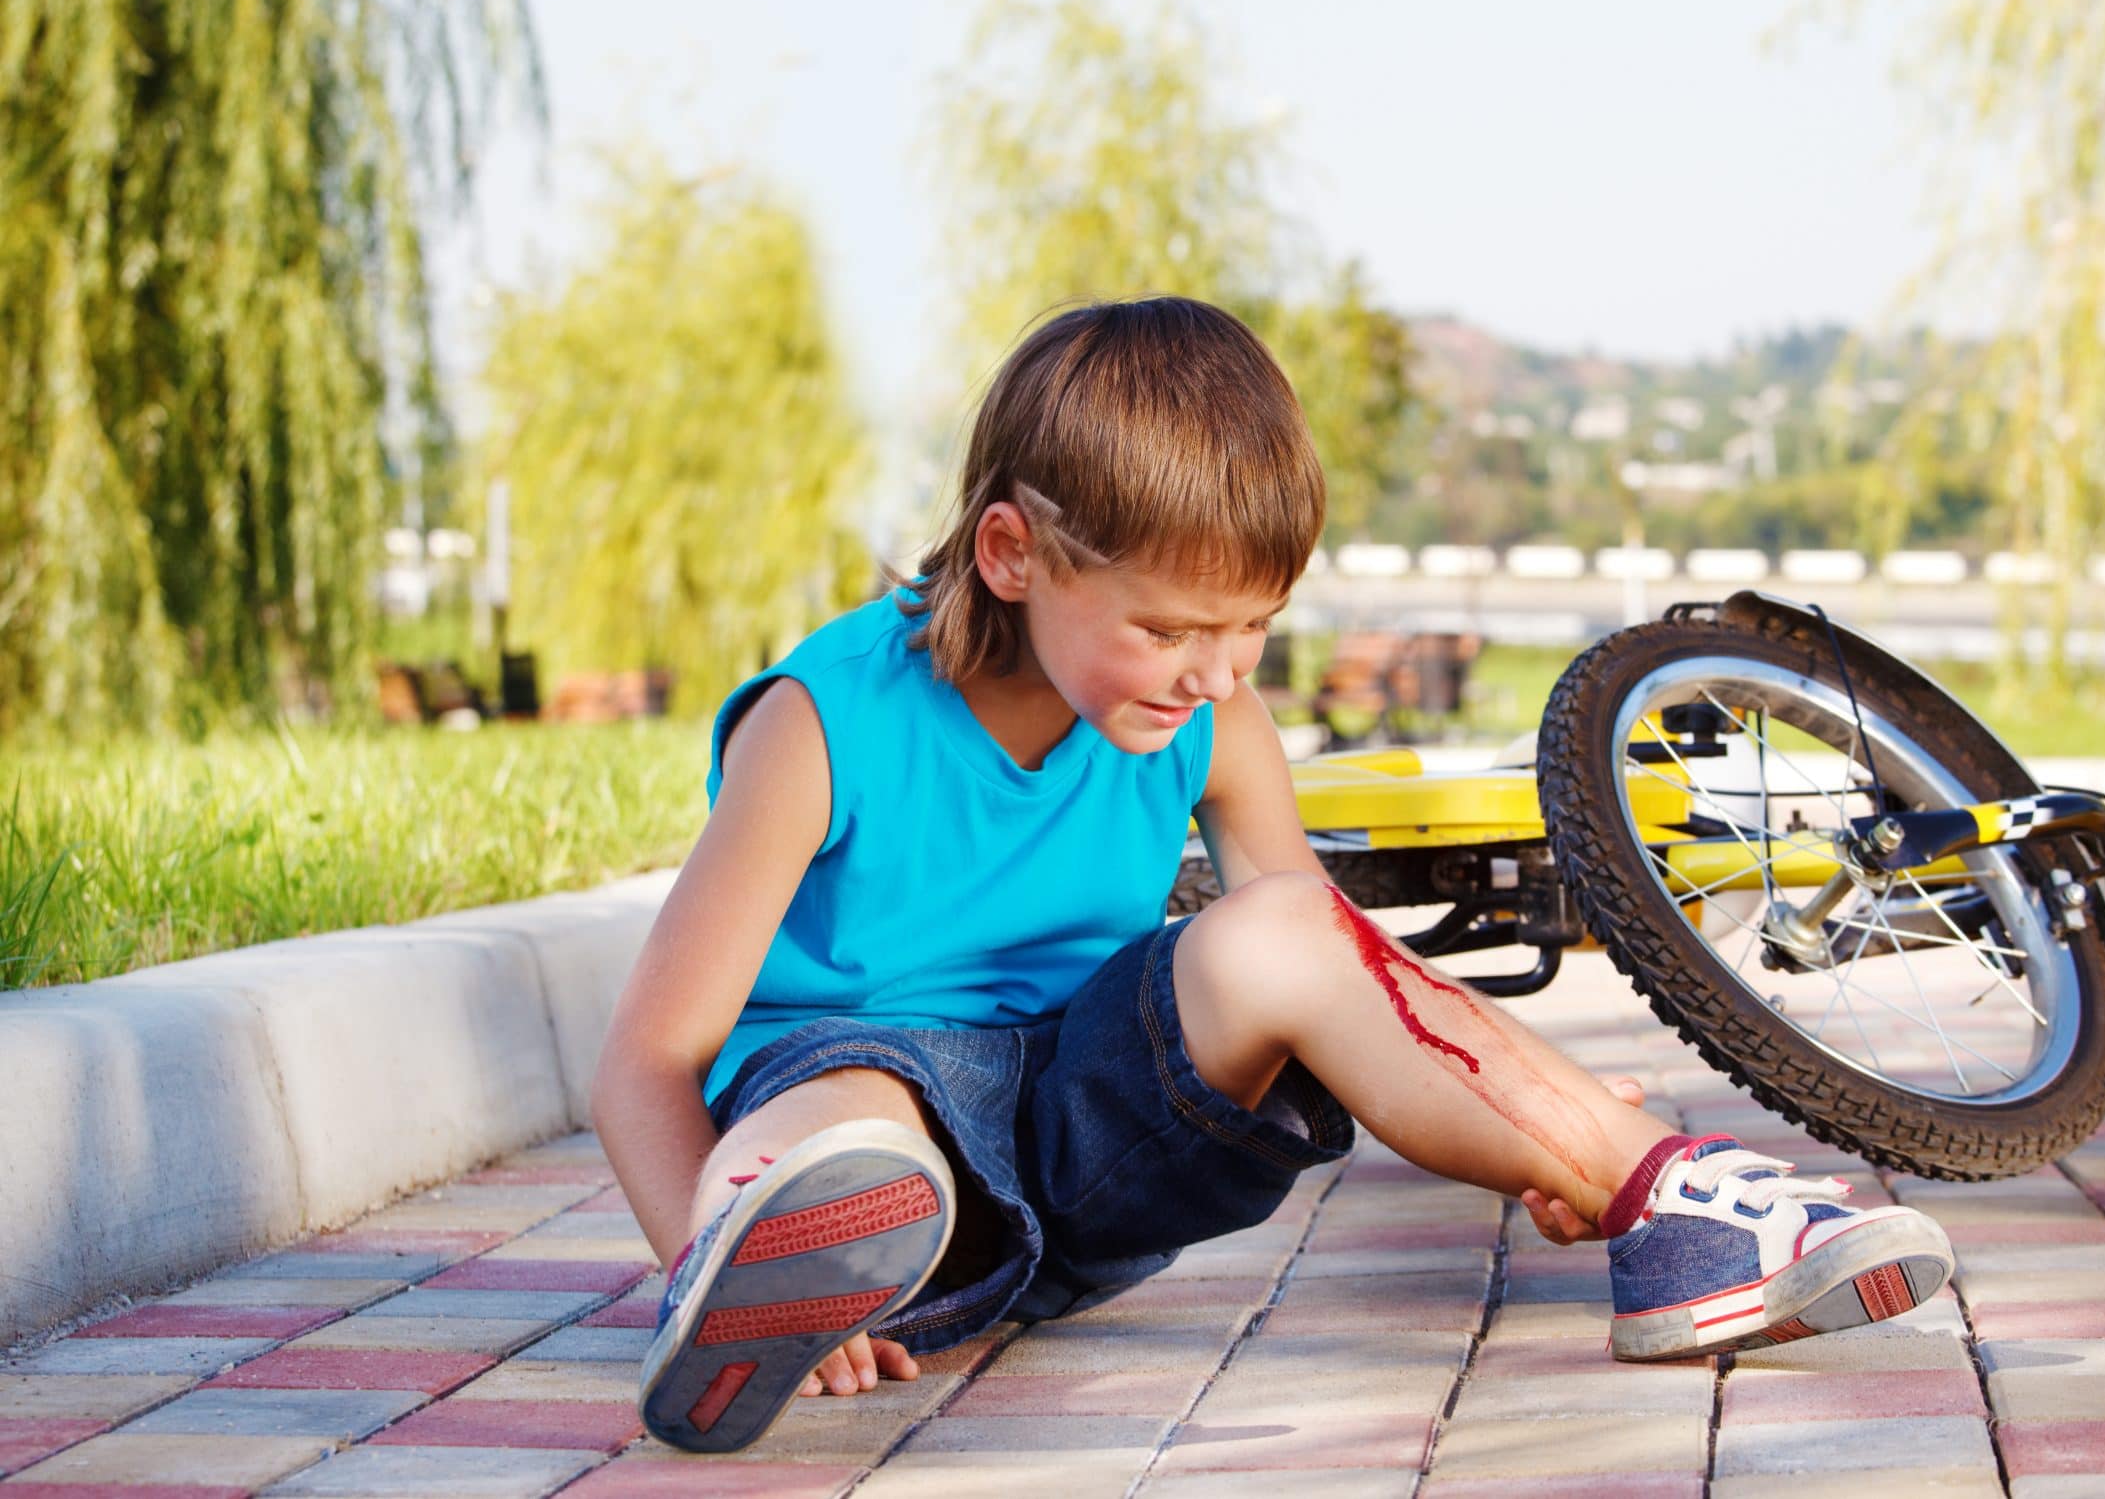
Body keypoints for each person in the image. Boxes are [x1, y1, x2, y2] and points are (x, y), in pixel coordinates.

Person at [589, 296, 1953, 1454]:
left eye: (1253, 627)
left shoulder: (1208, 721)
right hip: (897, 1140)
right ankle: (764, 1262)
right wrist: (683, 1260)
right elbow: (647, 1063)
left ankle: (1667, 1199)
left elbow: (1337, 980)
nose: (1221, 672)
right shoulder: (825, 724)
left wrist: (1538, 1129)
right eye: (1172, 626)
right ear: (1011, 555)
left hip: (1087, 1132)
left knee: (1289, 923)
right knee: (852, 1111)